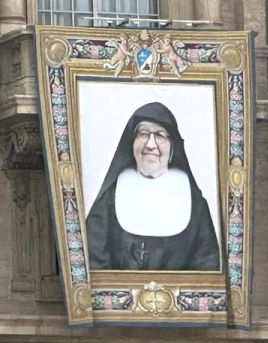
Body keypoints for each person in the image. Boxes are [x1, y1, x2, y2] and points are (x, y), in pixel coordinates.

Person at [86, 102, 220, 271]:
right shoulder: (109, 197)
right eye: (143, 134)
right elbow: (94, 260)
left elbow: (207, 264)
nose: (150, 144)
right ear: (132, 142)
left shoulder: (195, 202)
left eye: (160, 135)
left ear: (172, 146)